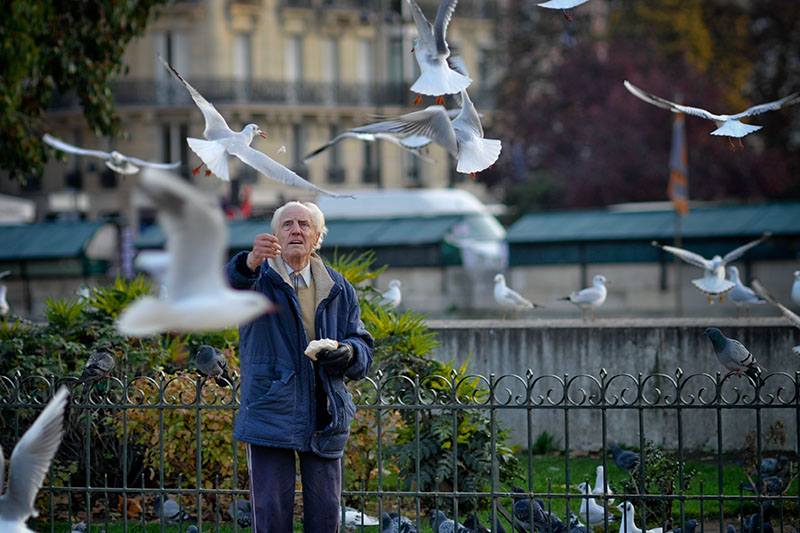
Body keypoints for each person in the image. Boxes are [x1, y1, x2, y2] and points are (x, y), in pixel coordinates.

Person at [224, 200, 374, 532]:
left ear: (317, 237)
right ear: (275, 235)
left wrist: (349, 351)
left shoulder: (337, 287)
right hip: (270, 407)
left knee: (325, 513)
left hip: (325, 410)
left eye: (304, 225)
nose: (296, 230)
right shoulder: (257, 279)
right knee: (271, 512)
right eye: (287, 224)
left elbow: (361, 340)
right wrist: (249, 261)